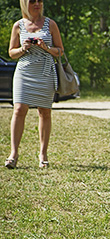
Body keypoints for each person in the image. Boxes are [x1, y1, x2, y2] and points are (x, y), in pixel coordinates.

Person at [5, 0, 64, 169]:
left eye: (39, 0)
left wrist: (46, 47)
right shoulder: (18, 25)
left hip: (45, 72)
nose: (37, 4)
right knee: (18, 110)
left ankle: (43, 154)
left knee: (44, 112)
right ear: (25, 3)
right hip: (24, 72)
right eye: (32, 1)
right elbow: (11, 53)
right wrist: (23, 48)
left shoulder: (50, 23)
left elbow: (60, 50)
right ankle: (14, 154)